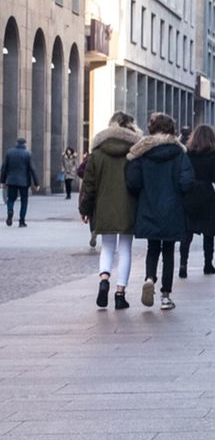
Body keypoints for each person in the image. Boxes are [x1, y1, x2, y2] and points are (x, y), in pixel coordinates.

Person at [125, 113, 194, 311]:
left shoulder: (142, 153)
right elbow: (187, 181)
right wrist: (180, 192)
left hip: (149, 206)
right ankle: (165, 295)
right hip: (172, 207)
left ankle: (149, 278)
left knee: (152, 247)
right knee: (169, 251)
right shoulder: (179, 153)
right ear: (172, 130)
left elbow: (133, 182)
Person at [80, 113, 141, 309]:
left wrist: (85, 209)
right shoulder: (135, 152)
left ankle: (104, 279)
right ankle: (120, 294)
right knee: (125, 250)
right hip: (128, 207)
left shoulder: (97, 153)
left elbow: (89, 185)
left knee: (107, 247)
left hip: (104, 206)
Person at [181, 125, 215, 277]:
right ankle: (208, 264)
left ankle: (183, 264)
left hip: (190, 193)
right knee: (209, 232)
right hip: (207, 194)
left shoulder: (187, 155)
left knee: (187, 233)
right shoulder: (213, 155)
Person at [3, 137, 38, 227]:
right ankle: (21, 221)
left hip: (11, 181)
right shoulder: (27, 153)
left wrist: (2, 180)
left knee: (10, 199)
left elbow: (4, 167)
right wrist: (36, 183)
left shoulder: (9, 152)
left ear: (16, 143)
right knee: (24, 201)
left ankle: (10, 211)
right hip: (24, 182)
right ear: (25, 144)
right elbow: (32, 169)